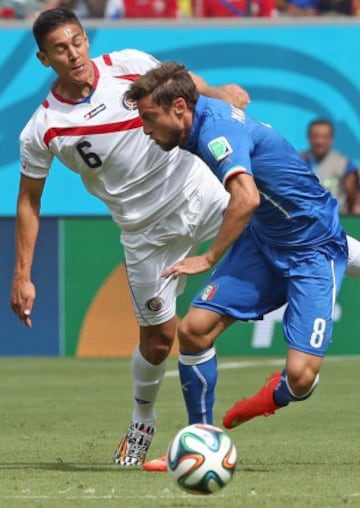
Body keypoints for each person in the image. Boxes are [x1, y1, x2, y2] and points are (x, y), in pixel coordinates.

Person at [10, 8, 251, 468]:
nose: (74, 53)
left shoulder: (128, 64)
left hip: (199, 189)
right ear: (44, 59)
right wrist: (23, 276)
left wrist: (222, 94)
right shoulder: (42, 128)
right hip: (145, 235)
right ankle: (142, 420)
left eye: (78, 40)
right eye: (61, 48)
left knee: (292, 226)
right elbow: (28, 202)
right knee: (159, 342)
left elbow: (184, 84)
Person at [127, 62, 357, 471]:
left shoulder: (215, 134)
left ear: (179, 107)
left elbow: (246, 198)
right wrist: (222, 89)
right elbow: (194, 84)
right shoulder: (197, 114)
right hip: (265, 240)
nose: (145, 128)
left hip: (312, 248)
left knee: (301, 379)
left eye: (148, 117)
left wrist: (208, 256)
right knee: (194, 331)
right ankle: (199, 442)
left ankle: (272, 396)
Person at [301, 119, 359, 215]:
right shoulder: (298, 162)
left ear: (331, 138)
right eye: (315, 136)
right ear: (309, 137)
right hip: (306, 222)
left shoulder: (344, 164)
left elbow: (354, 199)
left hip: (337, 221)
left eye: (324, 137)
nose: (319, 141)